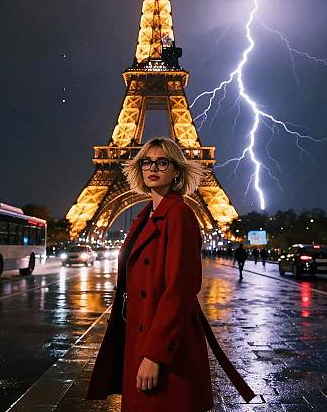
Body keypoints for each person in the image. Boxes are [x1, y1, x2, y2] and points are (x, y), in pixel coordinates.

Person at [86, 137, 255, 411]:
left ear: (177, 170)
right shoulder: (146, 216)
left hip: (165, 348)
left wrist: (154, 356)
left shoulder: (180, 214)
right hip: (141, 337)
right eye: (146, 162)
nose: (153, 167)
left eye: (163, 162)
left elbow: (180, 289)